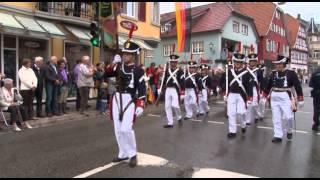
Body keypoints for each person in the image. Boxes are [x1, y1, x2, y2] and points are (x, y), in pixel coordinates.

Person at [105, 40, 146, 168]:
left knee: (126, 129)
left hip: (129, 100)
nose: (125, 56)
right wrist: (113, 62)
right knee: (117, 129)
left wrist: (140, 104)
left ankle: (132, 154)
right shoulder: (118, 66)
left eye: (128, 54)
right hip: (117, 99)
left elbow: (142, 88)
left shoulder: (138, 70)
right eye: (124, 54)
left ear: (133, 55)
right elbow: (108, 73)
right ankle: (123, 153)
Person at [264, 55, 304, 143]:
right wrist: (265, 95)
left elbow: (297, 86)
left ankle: (289, 130)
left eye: (279, 64)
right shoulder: (273, 73)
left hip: (286, 96)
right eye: (277, 64)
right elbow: (268, 85)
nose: (277, 65)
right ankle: (278, 135)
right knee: (276, 117)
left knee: (288, 117)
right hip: (274, 96)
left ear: (284, 64)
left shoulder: (291, 73)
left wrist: (300, 98)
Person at [220, 53, 253, 138]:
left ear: (242, 63)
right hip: (231, 94)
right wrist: (224, 92)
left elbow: (249, 86)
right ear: (234, 62)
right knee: (231, 113)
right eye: (236, 62)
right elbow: (223, 83)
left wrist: (249, 98)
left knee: (241, 112)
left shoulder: (247, 73)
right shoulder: (228, 72)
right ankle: (232, 131)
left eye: (240, 62)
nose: (238, 64)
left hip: (241, 95)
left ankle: (243, 125)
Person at [161, 53, 185, 128]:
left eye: (174, 62)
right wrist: (160, 88)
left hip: (175, 89)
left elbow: (182, 82)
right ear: (170, 62)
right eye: (171, 62)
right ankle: (170, 123)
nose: (173, 63)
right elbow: (164, 81)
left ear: (176, 62)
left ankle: (179, 117)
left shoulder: (180, 71)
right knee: (167, 106)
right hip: (168, 89)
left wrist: (182, 92)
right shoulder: (167, 70)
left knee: (175, 105)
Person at [244, 53, 264, 125]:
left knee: (255, 105)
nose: (252, 62)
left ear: (256, 62)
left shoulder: (259, 71)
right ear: (249, 62)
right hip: (247, 89)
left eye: (254, 61)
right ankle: (247, 120)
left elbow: (262, 81)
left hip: (255, 89)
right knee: (248, 105)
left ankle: (256, 115)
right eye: (251, 61)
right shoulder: (245, 70)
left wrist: (261, 91)